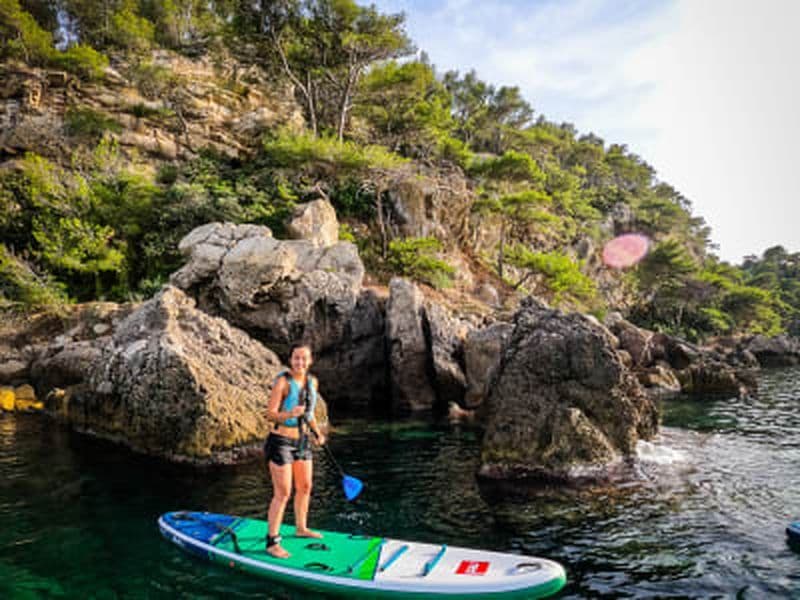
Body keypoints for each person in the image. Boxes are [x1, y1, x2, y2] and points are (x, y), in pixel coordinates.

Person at [263, 343, 326, 559]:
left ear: (310, 361)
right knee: (283, 493)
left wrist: (317, 433)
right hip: (280, 441)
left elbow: (309, 414)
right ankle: (272, 542)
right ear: (291, 360)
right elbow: (270, 414)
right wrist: (289, 413)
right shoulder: (283, 382)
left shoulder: (312, 382)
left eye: (304, 358)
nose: (300, 362)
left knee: (305, 486)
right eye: (296, 358)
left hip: (302, 441)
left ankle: (301, 528)